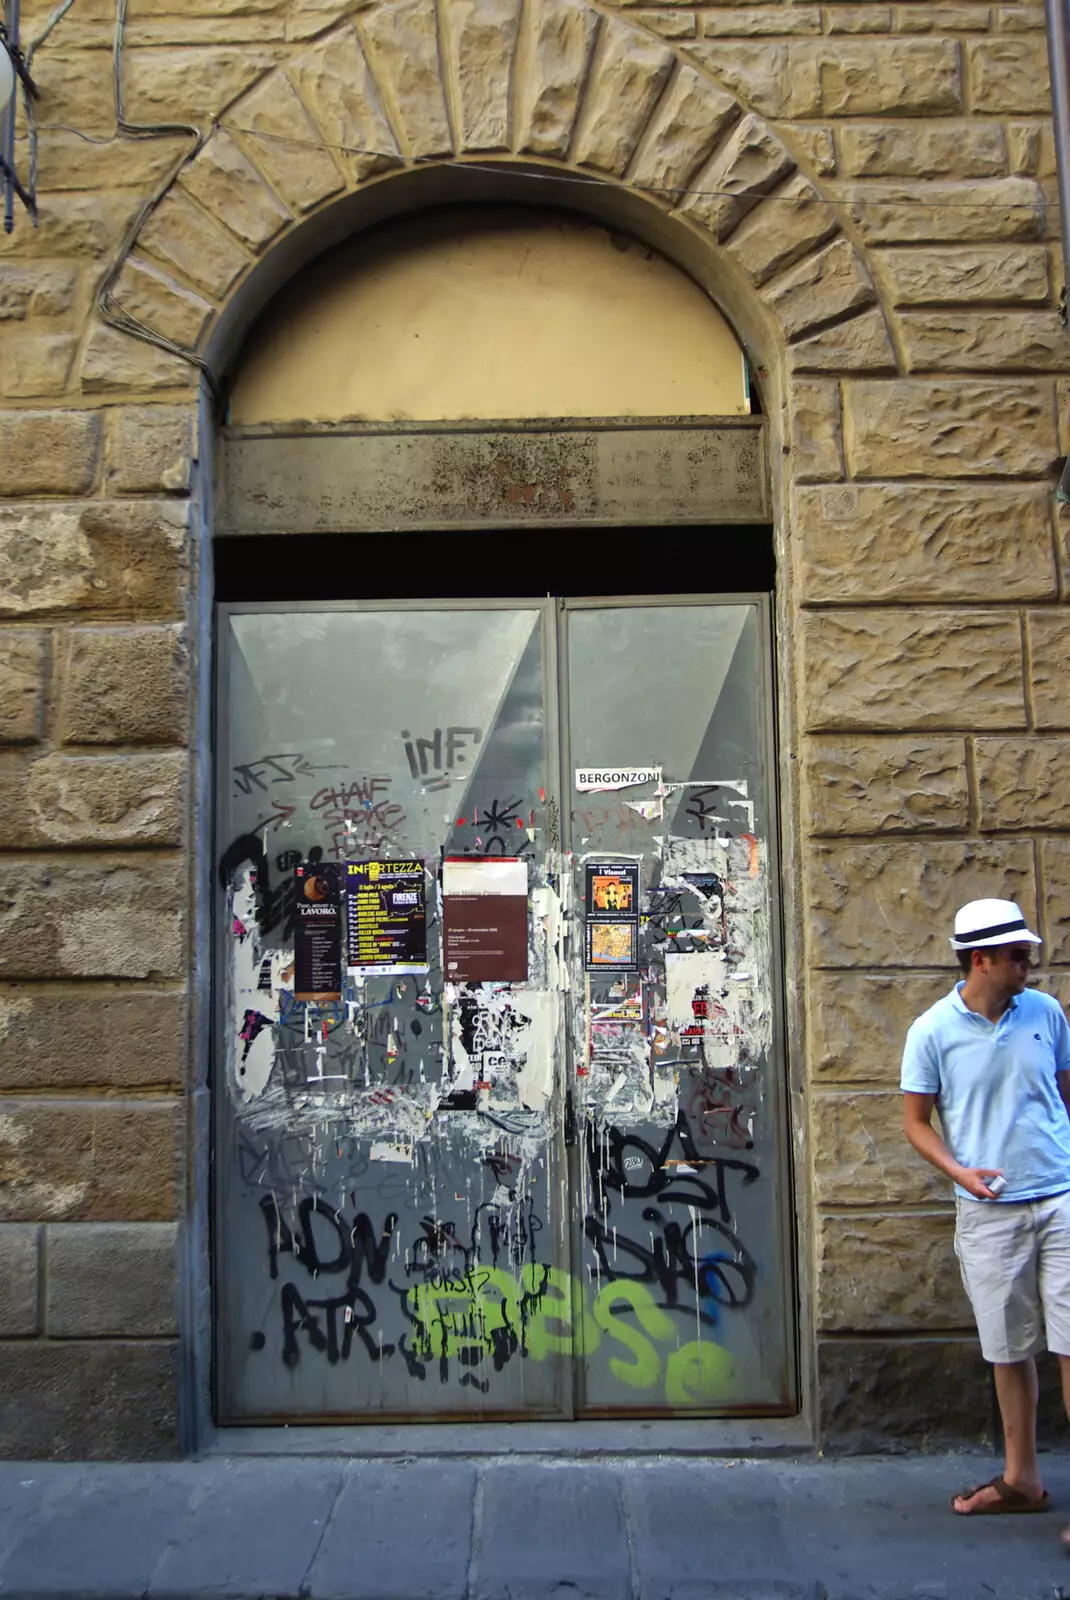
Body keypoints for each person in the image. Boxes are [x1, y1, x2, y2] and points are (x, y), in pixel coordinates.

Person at [901, 897, 1070, 1531]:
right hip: (989, 1211)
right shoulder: (931, 1031)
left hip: (1059, 1199)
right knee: (1009, 1351)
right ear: (982, 959)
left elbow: (1065, 1096)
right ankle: (1022, 1479)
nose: (1029, 966)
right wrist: (960, 1173)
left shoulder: (1046, 1014)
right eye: (1018, 957)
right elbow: (917, 1123)